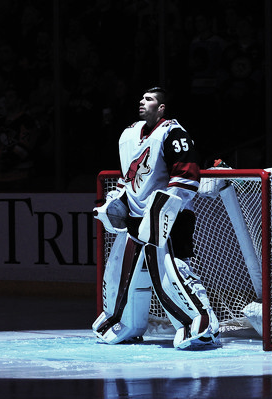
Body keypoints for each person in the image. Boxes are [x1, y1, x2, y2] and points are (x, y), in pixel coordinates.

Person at [92, 87, 219, 349]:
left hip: (169, 219)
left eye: (149, 99)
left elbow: (186, 177)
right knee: (118, 275)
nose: (141, 101)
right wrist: (115, 203)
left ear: (161, 108)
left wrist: (162, 209)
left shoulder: (173, 132)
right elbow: (128, 179)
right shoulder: (130, 135)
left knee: (171, 275)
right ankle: (125, 323)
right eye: (141, 97)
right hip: (137, 220)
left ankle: (203, 323)